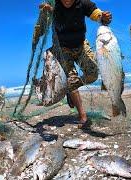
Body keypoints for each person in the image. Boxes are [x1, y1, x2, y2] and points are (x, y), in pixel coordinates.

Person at [33, 0, 112, 128]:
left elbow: (96, 14)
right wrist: (44, 15)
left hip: (81, 45)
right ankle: (82, 115)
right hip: (62, 49)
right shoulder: (52, 5)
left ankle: (70, 89)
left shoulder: (83, 4)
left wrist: (103, 17)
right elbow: (41, 27)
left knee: (93, 74)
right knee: (71, 79)